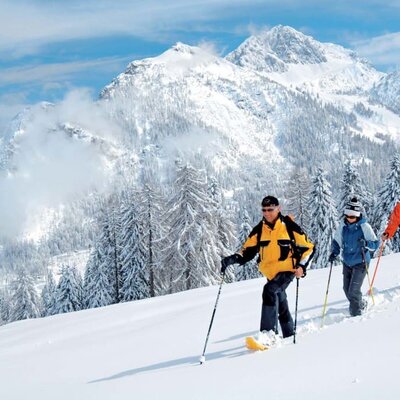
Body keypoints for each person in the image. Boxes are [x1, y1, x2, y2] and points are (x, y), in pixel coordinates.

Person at [221, 195, 314, 339]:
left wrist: (302, 266)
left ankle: (268, 335)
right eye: (264, 210)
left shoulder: (289, 226)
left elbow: (309, 248)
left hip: (288, 270)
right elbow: (247, 251)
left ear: (278, 209)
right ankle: (289, 333)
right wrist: (232, 259)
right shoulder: (259, 230)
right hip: (271, 274)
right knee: (279, 299)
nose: (266, 213)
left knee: (269, 291)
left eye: (270, 209)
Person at [329, 198, 379, 316]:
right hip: (347, 262)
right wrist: (334, 253)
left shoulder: (364, 226)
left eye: (353, 217)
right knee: (347, 290)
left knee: (353, 291)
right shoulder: (343, 226)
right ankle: (360, 304)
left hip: (361, 262)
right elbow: (337, 241)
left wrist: (366, 244)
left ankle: (356, 316)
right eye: (348, 216)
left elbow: (375, 244)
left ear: (357, 216)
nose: (350, 219)